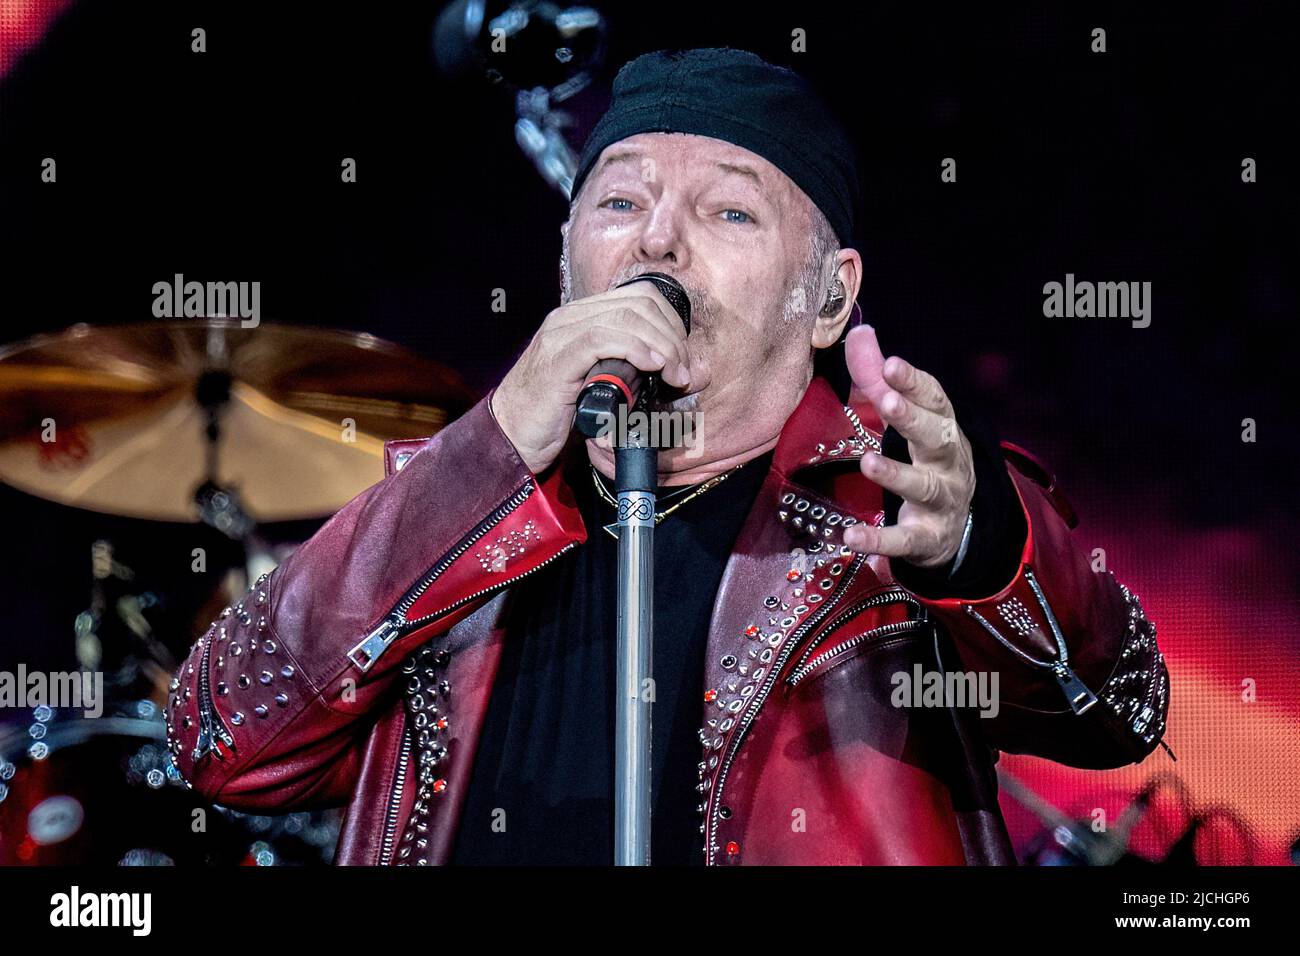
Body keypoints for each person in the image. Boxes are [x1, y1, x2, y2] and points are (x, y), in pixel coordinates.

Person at [166, 48, 1169, 865]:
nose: (656, 239)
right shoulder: (450, 523)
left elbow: (1121, 704)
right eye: (617, 204)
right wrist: (490, 446)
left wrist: (980, 545)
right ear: (566, 261)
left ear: (826, 296)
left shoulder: (891, 514)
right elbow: (221, 743)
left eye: (728, 211)